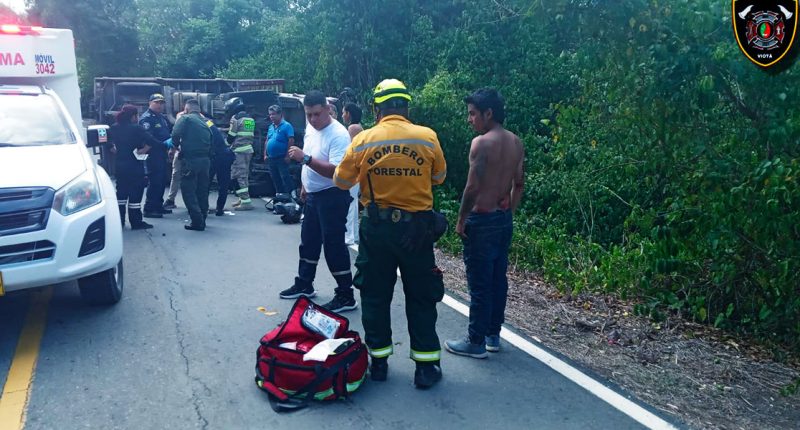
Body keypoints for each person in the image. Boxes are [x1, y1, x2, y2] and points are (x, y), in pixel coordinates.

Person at [333, 78, 447, 389]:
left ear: (377, 108)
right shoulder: (426, 137)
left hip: (377, 228)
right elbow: (438, 177)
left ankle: (379, 363)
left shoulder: (364, 139)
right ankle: (425, 368)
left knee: (375, 294)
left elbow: (342, 181)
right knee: (421, 296)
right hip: (417, 231)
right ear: (407, 106)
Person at [445, 88, 524, 358]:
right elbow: (519, 183)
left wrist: (461, 219)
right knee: (497, 279)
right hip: (502, 220)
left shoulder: (481, 143)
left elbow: (472, 187)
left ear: (488, 113)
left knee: (479, 283)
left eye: (472, 114)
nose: (470, 120)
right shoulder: (516, 142)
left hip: (481, 219)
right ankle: (493, 334)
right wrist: (508, 211)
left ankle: (475, 341)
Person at [280, 90, 356, 313]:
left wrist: (304, 158)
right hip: (314, 196)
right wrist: (305, 186)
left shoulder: (339, 134)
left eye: (317, 114)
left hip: (333, 195)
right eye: (309, 115)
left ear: (328, 110)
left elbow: (335, 171)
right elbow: (311, 160)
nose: (313, 119)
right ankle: (304, 283)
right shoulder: (312, 131)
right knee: (309, 242)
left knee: (334, 246)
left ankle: (345, 295)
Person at [108, 104, 161, 230]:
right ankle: (136, 222)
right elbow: (152, 141)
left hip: (120, 166)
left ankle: (119, 221)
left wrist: (113, 148)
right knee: (135, 194)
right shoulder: (137, 128)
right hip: (134, 166)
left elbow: (107, 143)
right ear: (133, 116)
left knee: (121, 194)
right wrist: (146, 149)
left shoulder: (113, 128)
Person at [172, 99, 213, 231]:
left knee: (188, 191)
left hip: (191, 160)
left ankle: (197, 221)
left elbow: (175, 133)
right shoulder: (206, 122)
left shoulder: (186, 119)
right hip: (205, 161)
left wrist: (176, 145)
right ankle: (203, 217)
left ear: (187, 109)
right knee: (202, 191)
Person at [140, 93, 173, 218]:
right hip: (153, 154)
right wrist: (163, 145)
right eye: (157, 102)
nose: (159, 105)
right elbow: (148, 138)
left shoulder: (162, 118)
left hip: (162, 153)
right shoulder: (147, 118)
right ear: (150, 103)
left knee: (161, 181)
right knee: (154, 181)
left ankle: (158, 206)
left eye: (161, 103)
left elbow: (168, 133)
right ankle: (149, 208)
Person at [226, 99, 256, 210]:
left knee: (237, 176)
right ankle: (242, 199)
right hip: (248, 150)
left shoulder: (235, 119)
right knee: (244, 175)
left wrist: (225, 143)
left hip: (238, 151)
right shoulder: (250, 119)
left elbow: (231, 136)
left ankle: (245, 202)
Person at [342, 103, 364, 245]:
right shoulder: (358, 127)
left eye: (344, 112)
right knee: (353, 202)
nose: (342, 115)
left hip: (353, 169)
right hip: (358, 169)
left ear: (349, 113)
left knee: (349, 202)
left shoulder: (353, 128)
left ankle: (349, 236)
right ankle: (354, 234)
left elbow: (350, 150)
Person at [264, 105, 296, 195]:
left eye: (273, 114)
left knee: (285, 176)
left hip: (281, 157)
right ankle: (279, 194)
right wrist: (265, 154)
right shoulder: (271, 127)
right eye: (270, 114)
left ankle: (291, 194)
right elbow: (267, 140)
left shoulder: (287, 126)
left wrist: (287, 155)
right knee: (275, 177)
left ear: (280, 114)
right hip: (271, 158)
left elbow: (291, 140)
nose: (271, 116)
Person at [207, 115, 234, 216]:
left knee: (206, 183)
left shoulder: (203, 125)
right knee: (223, 184)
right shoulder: (210, 124)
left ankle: (204, 207)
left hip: (216, 157)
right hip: (225, 156)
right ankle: (219, 209)